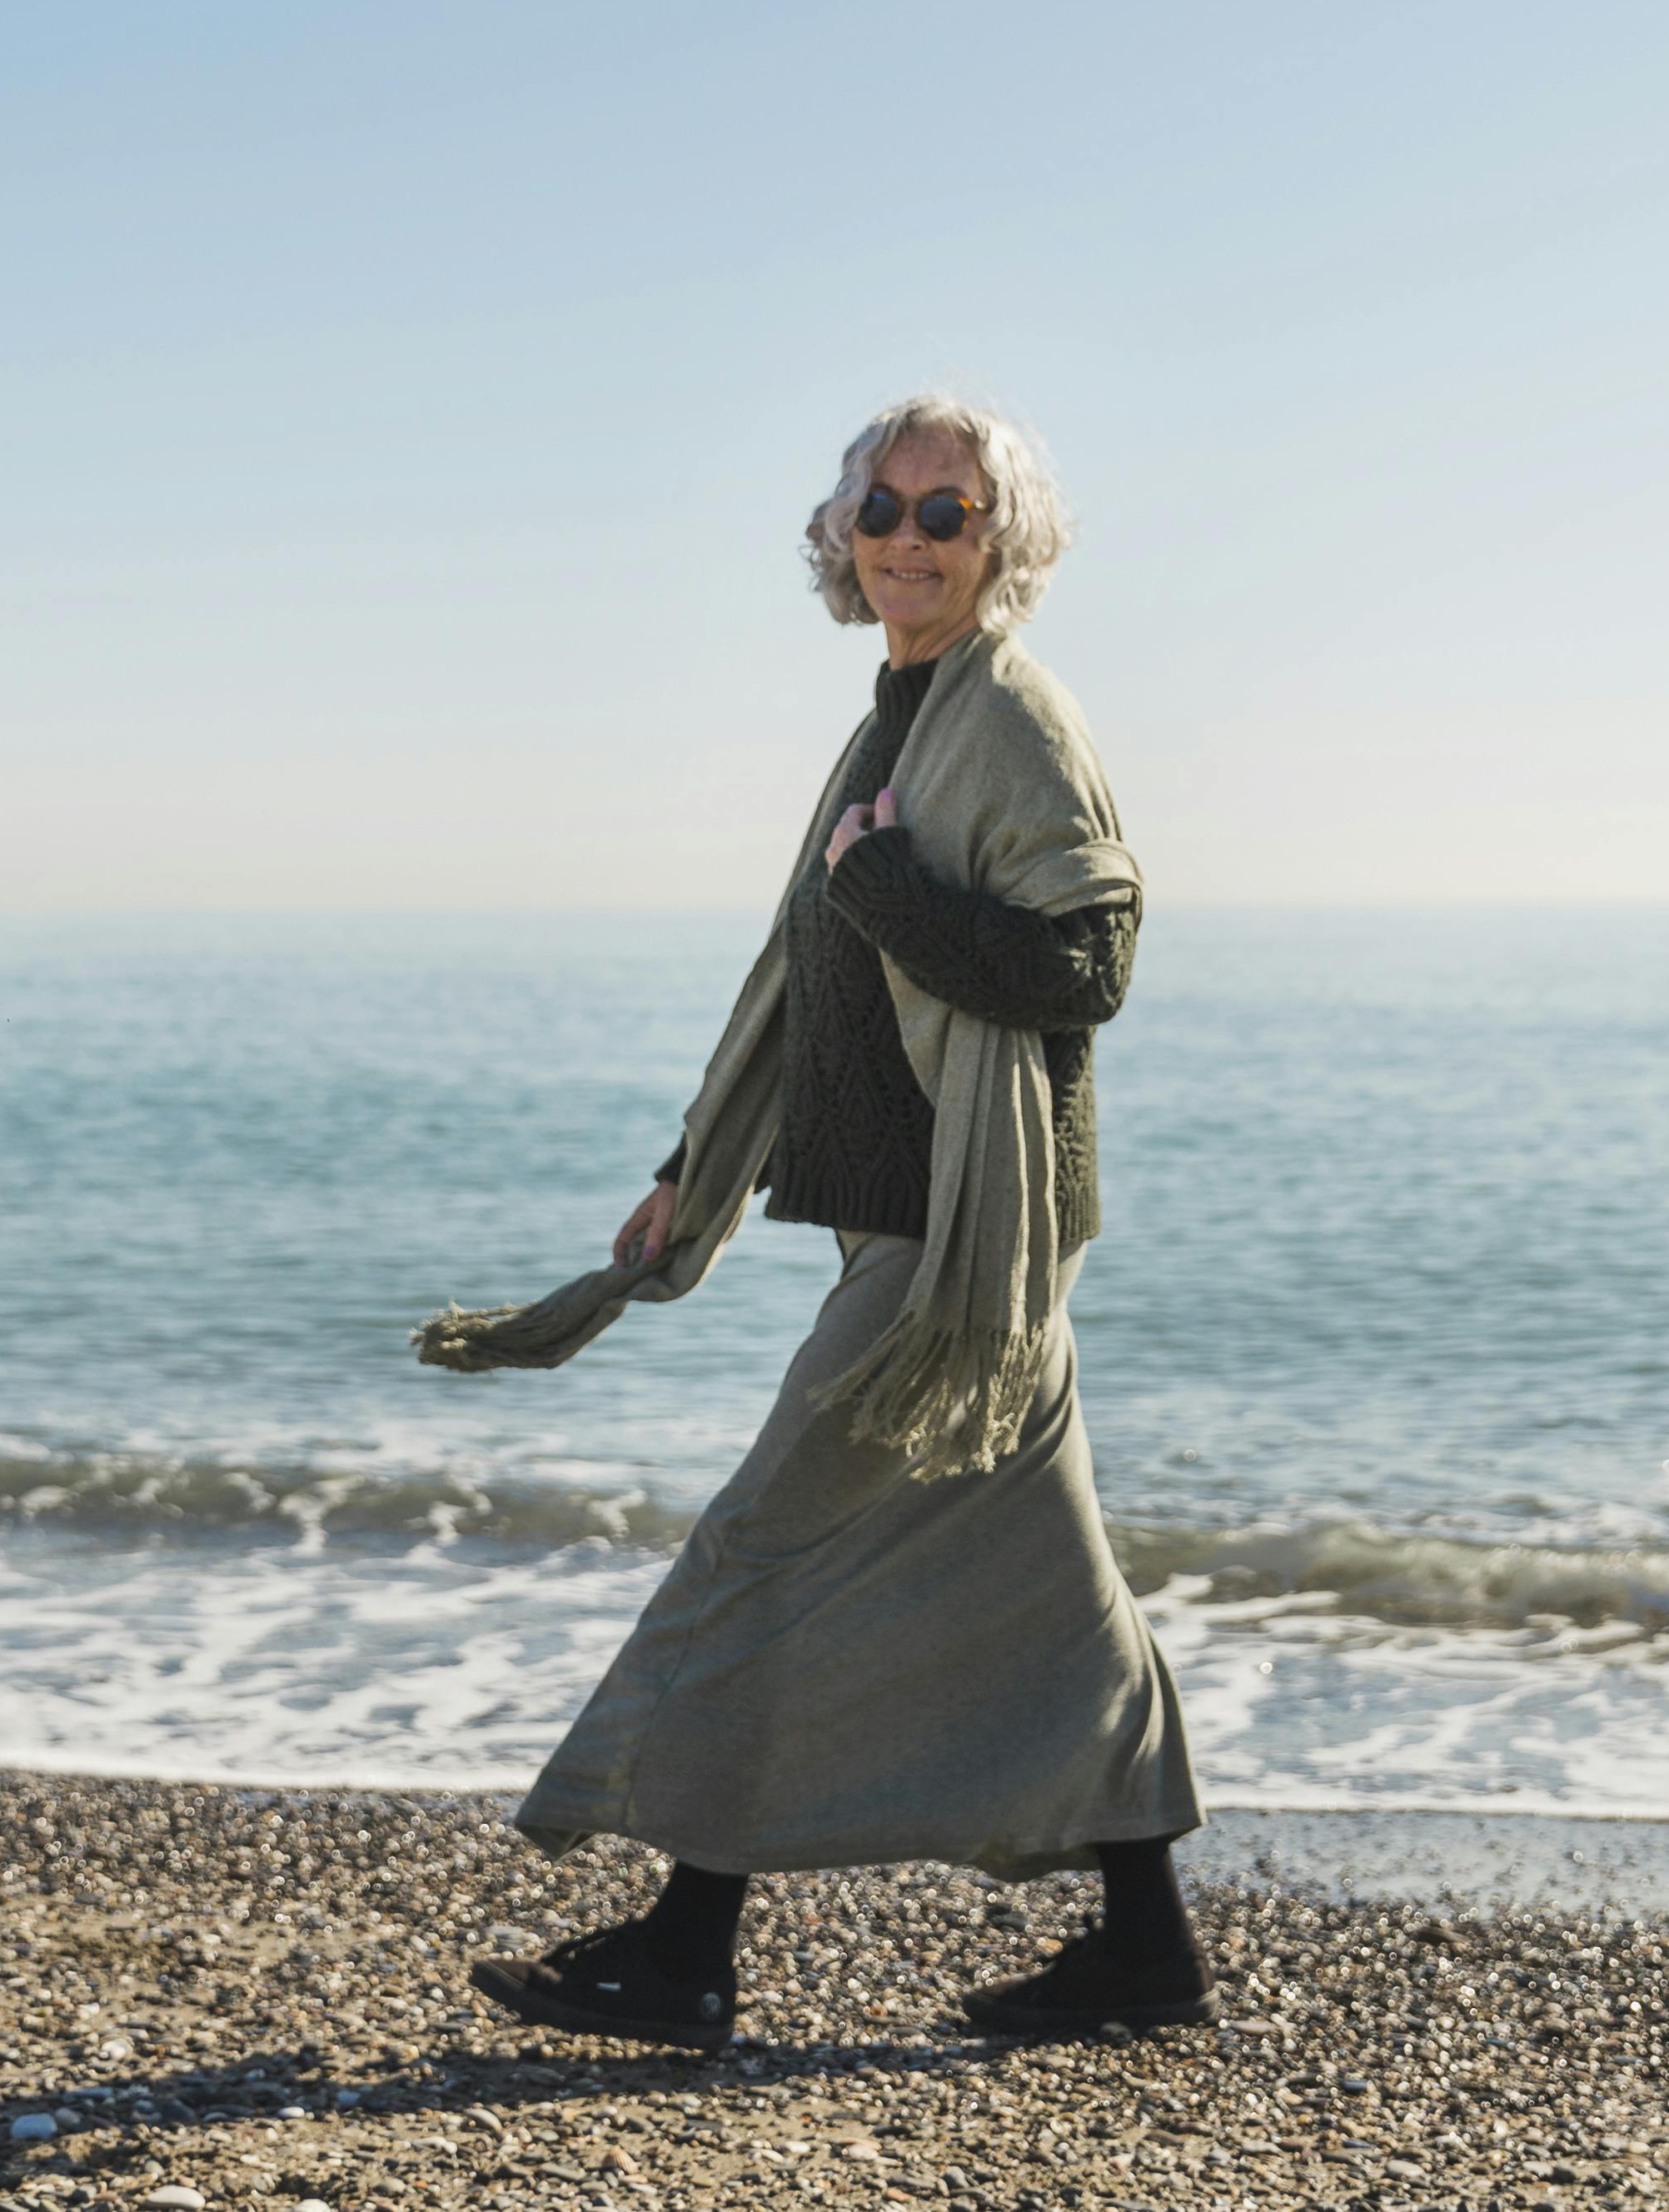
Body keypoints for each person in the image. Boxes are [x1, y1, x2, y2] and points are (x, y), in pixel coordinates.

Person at [414, 390, 1201, 2052]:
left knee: (761, 1552)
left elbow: (1090, 964)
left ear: (1004, 543)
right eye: (887, 508)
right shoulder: (905, 706)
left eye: (950, 513)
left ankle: (685, 1950)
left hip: (963, 1240)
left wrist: (892, 890)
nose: (912, 538)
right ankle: (1146, 1951)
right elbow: (818, 977)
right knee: (1058, 1603)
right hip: (925, 1221)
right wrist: (694, 1159)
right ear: (845, 533)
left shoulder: (1009, 714)